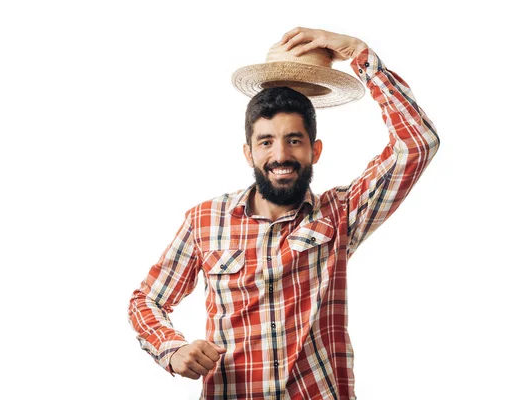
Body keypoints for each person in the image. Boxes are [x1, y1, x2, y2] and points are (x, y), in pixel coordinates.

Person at [128, 27, 440, 399]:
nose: (280, 156)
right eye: (266, 142)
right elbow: (146, 301)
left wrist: (360, 53)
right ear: (249, 153)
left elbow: (418, 143)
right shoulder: (205, 220)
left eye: (294, 140)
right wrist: (172, 349)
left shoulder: (340, 213)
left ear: (315, 150)